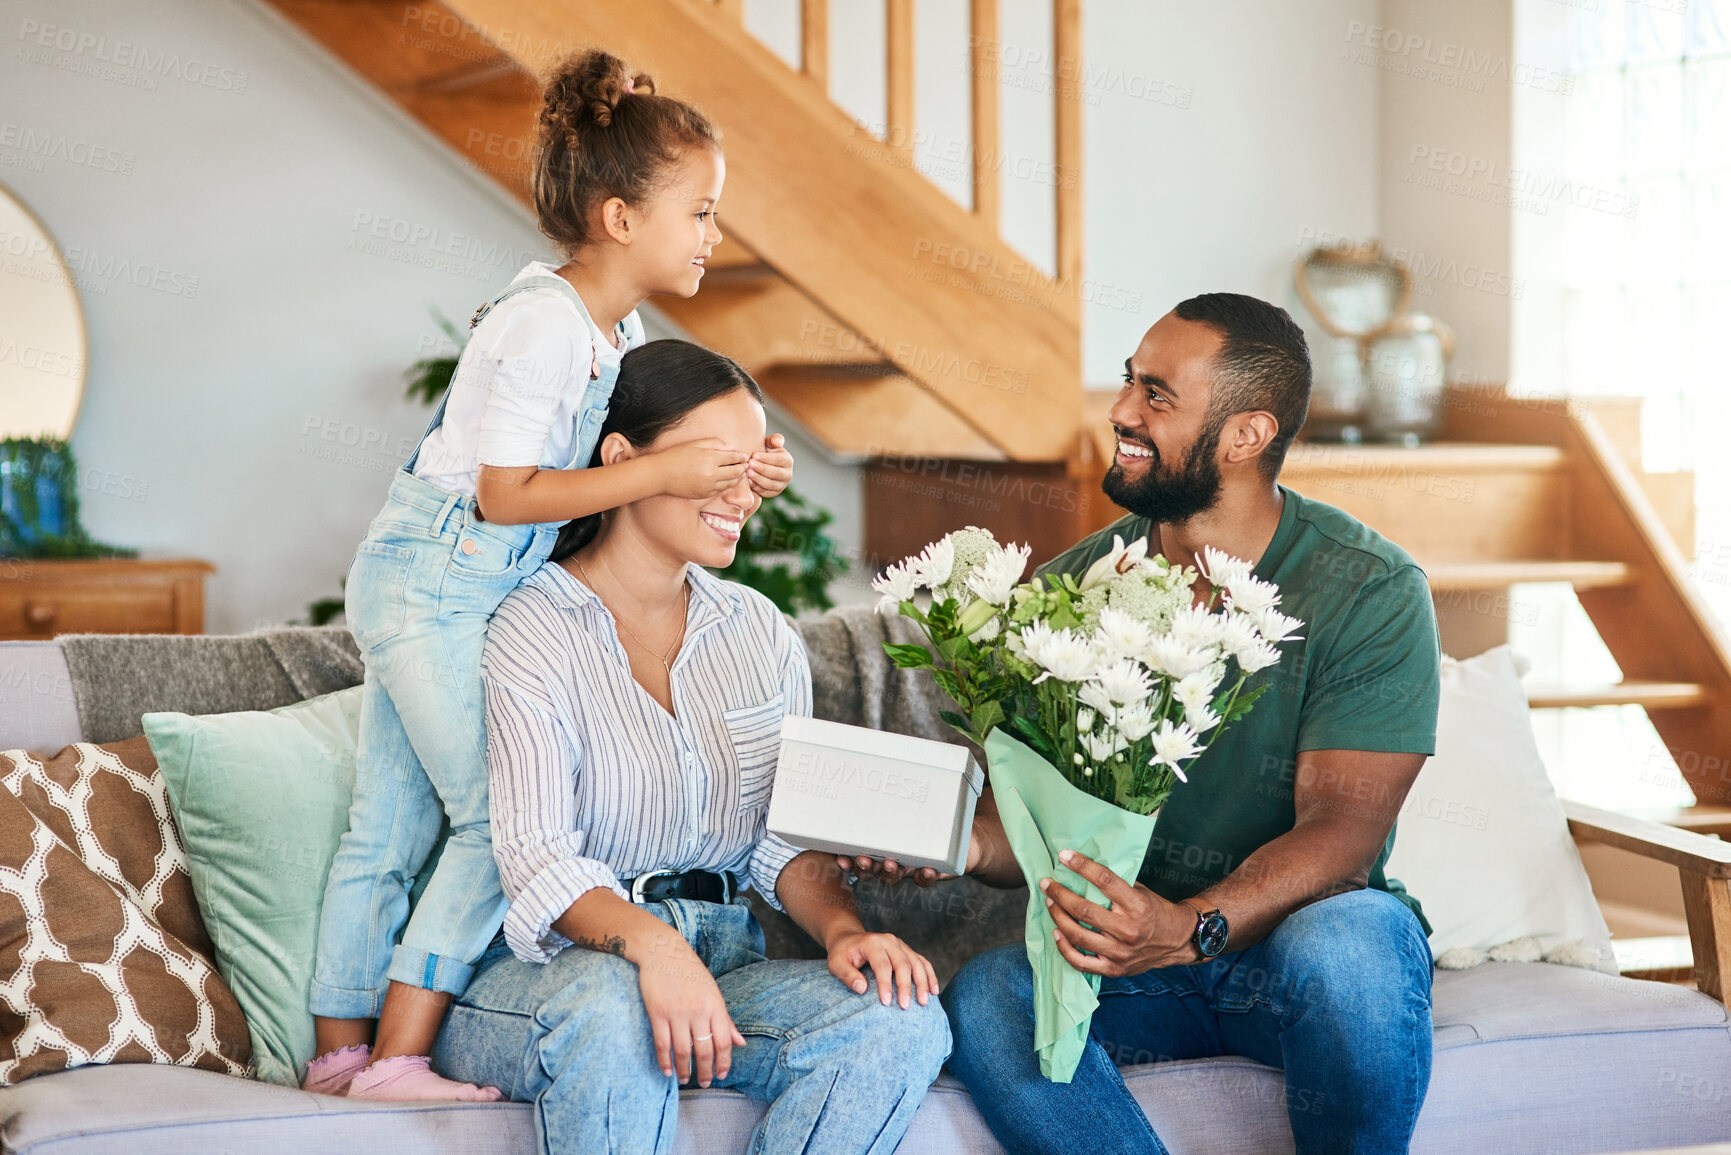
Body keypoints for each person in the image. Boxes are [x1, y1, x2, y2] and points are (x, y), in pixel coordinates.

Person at [306, 50, 794, 1101]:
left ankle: (338, 1059)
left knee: (387, 827)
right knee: (492, 825)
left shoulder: (618, 330)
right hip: (434, 579)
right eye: (700, 214)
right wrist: (663, 469)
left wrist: (741, 464)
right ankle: (396, 1059)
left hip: (457, 588)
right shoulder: (540, 328)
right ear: (621, 219)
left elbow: (644, 448)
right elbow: (506, 495)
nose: (716, 236)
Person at [850, 293, 1441, 1154]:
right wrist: (949, 845)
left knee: (1351, 944)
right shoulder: (1068, 590)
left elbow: (1343, 829)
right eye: (1129, 382)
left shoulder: (1368, 587)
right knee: (991, 995)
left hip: (1289, 956)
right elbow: (1044, 830)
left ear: (1245, 434)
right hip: (1133, 976)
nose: (1121, 411)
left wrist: (1187, 926)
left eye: (1156, 394)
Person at [427, 339, 950, 1153]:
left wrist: (846, 932)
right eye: (716, 464)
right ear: (622, 460)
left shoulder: (757, 631)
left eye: (753, 468)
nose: (740, 493)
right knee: (611, 1003)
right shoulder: (531, 628)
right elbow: (536, 858)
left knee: (898, 1019)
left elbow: (781, 843)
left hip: (718, 969)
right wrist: (654, 948)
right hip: (546, 983)